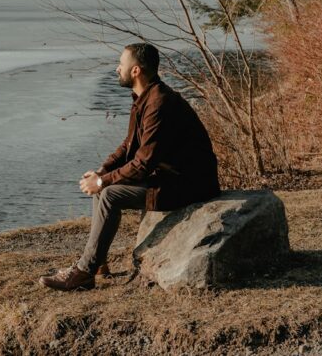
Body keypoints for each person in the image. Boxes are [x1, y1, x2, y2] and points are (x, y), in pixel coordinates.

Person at [38, 42, 221, 291]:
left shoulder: (159, 103)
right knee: (104, 189)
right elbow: (129, 145)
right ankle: (97, 262)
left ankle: (83, 272)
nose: (117, 69)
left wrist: (104, 181)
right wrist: (103, 171)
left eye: (121, 65)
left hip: (188, 186)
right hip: (168, 177)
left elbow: (143, 163)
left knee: (109, 194)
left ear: (135, 71)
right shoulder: (144, 98)